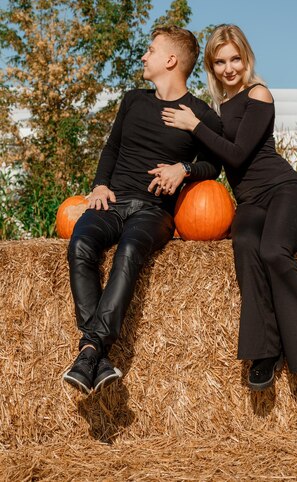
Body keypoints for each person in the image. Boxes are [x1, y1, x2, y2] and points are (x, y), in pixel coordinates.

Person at [161, 24, 297, 402]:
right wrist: (182, 168)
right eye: (220, 61)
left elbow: (237, 154)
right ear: (211, 65)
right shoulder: (218, 108)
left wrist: (195, 125)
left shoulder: (259, 93)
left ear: (246, 58)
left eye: (235, 58)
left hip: (285, 191)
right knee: (244, 245)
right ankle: (266, 350)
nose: (229, 68)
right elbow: (212, 158)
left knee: (273, 250)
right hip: (250, 203)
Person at [63, 26, 222, 395]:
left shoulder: (200, 114)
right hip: (112, 201)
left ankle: (89, 349)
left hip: (154, 212)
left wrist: (183, 170)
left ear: (171, 60)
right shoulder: (133, 100)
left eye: (150, 50)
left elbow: (214, 166)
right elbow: (112, 148)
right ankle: (95, 353)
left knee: (130, 251)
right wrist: (100, 184)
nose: (143, 57)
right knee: (80, 246)